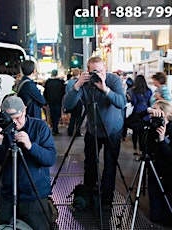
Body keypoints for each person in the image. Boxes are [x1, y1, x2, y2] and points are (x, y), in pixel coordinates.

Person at [64, 56, 127, 206]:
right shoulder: (84, 83)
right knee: (90, 163)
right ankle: (88, 193)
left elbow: (122, 103)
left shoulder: (113, 80)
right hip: (93, 129)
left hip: (113, 129)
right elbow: (67, 105)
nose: (98, 75)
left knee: (110, 164)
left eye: (100, 71)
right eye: (94, 72)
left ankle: (106, 197)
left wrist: (105, 89)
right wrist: (78, 85)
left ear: (106, 70)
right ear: (88, 71)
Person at [0, 96, 57, 229]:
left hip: (34, 193)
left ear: (25, 110)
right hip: (8, 194)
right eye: (10, 119)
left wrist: (31, 146)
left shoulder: (39, 127)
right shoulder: (1, 129)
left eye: (18, 117)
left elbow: (50, 159)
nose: (15, 123)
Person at [142, 100, 172, 226]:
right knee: (155, 217)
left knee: (168, 219)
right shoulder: (151, 126)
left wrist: (162, 141)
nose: (153, 112)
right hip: (155, 172)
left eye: (156, 110)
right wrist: (146, 111)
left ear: (165, 114)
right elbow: (130, 122)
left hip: (170, 175)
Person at [125, 74, 152, 160]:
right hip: (147, 114)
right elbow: (150, 102)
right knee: (143, 134)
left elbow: (134, 102)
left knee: (135, 132)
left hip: (137, 113)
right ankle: (142, 151)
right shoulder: (149, 91)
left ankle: (136, 150)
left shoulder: (134, 91)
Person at [43, 69, 65, 135]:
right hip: (58, 101)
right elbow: (63, 92)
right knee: (57, 115)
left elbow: (45, 92)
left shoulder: (48, 82)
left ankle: (53, 128)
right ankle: (55, 128)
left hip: (50, 101)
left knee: (52, 115)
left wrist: (46, 101)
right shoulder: (60, 82)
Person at [65, 68, 83, 137]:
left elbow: (66, 92)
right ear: (79, 73)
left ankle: (70, 131)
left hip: (71, 101)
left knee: (72, 116)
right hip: (79, 101)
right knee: (78, 117)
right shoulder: (80, 82)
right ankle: (77, 132)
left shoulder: (69, 82)